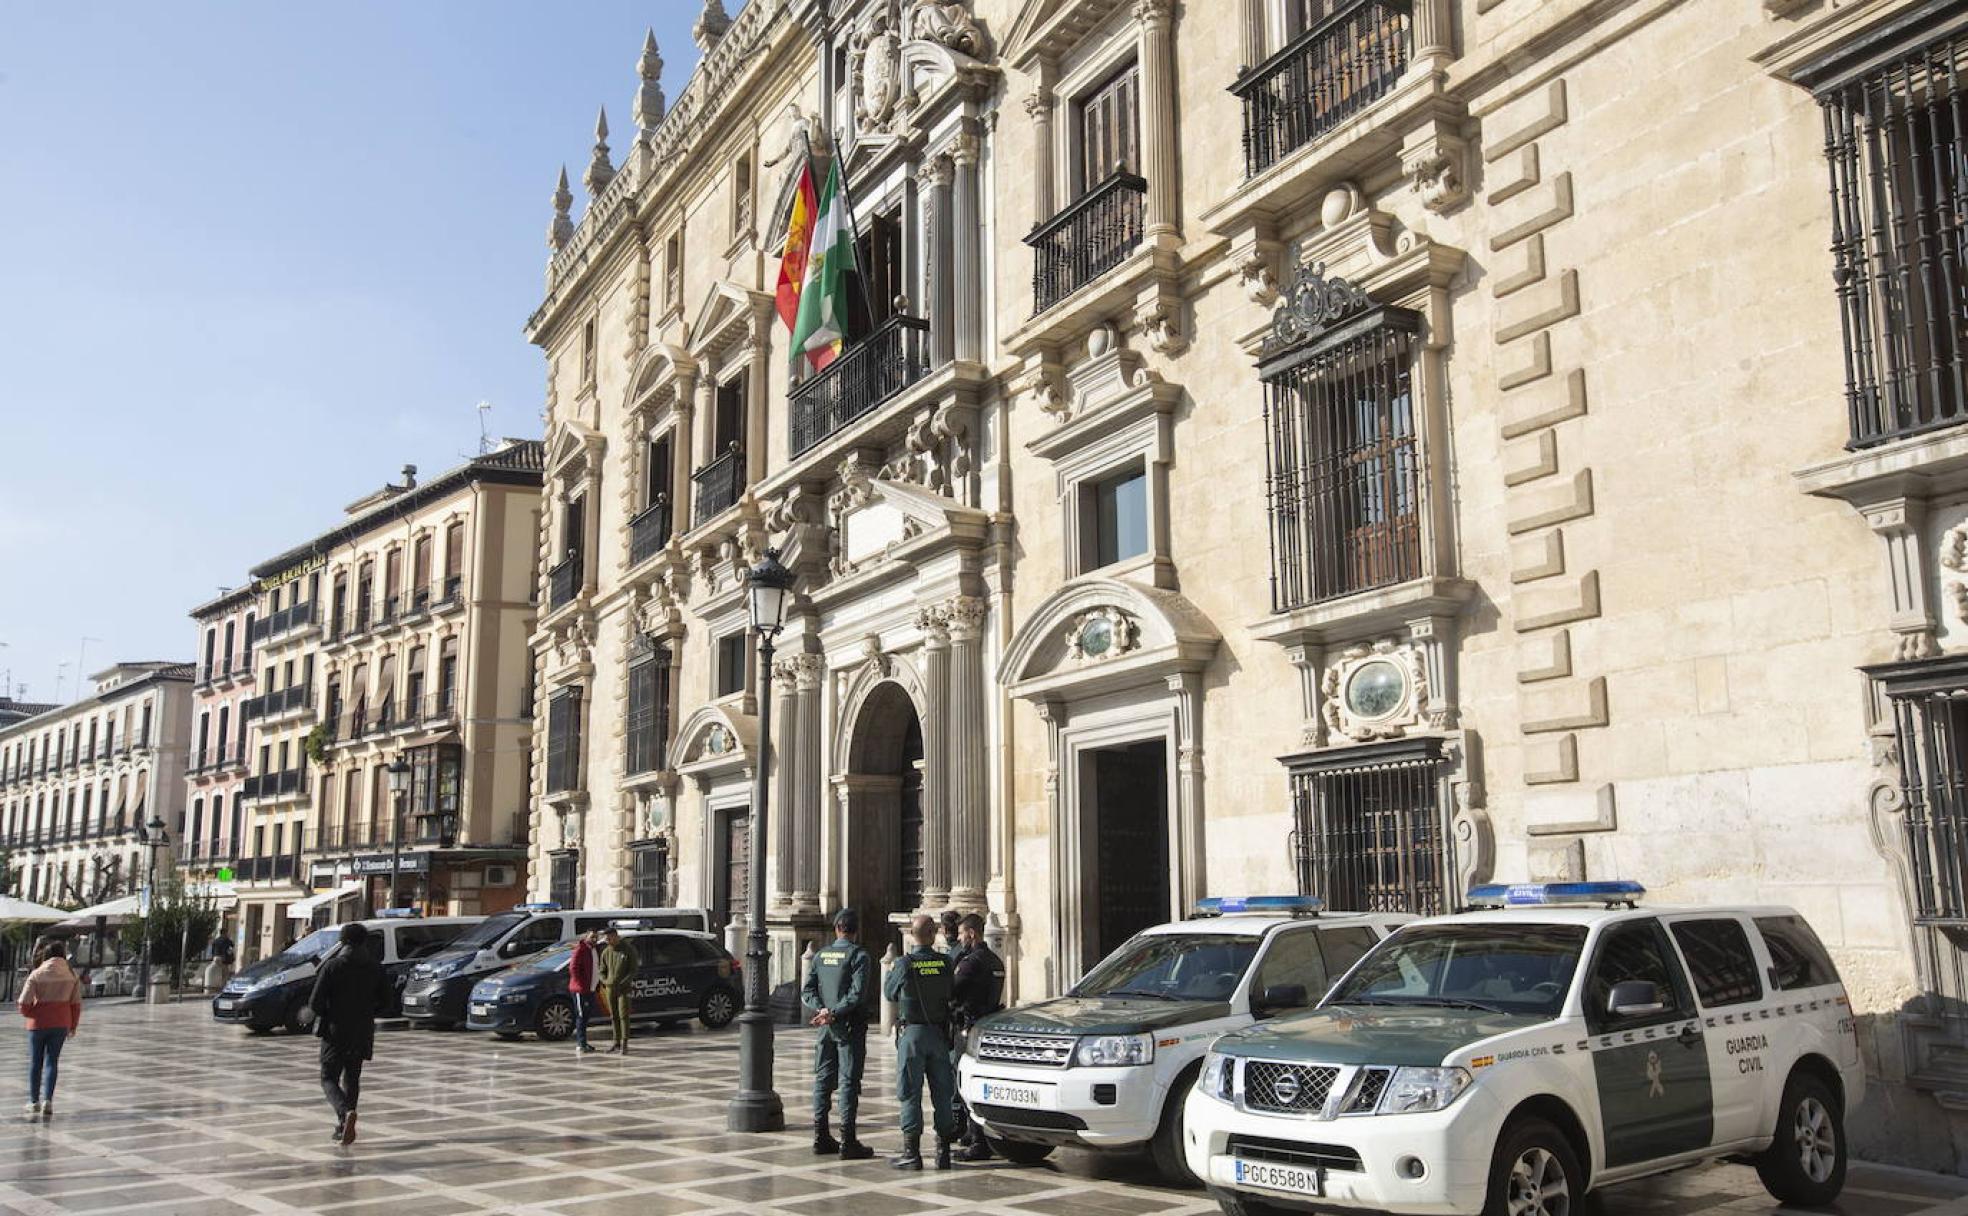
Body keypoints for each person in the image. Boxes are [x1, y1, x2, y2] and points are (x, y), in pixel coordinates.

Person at [884, 914, 960, 1170]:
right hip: (938, 1035)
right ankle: (944, 1152)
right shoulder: (945, 962)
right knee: (943, 1094)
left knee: (909, 1093)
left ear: (913, 935)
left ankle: (912, 1152)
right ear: (933, 934)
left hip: (913, 1035)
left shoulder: (904, 964)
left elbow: (889, 993)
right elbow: (951, 991)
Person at [801, 908, 875, 1160]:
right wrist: (833, 1012)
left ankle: (820, 1135)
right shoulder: (860, 956)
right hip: (848, 1027)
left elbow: (807, 989)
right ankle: (848, 1139)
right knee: (848, 1082)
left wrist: (822, 1010)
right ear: (855, 931)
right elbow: (857, 994)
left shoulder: (822, 955)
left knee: (823, 1079)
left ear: (836, 929)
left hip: (825, 1027)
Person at [307, 922, 390, 1146]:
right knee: (352, 1078)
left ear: (342, 942)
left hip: (335, 1030)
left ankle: (345, 1114)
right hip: (362, 1030)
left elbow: (315, 1003)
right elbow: (386, 1001)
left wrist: (329, 1013)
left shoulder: (333, 966)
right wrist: (367, 1011)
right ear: (364, 942)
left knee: (328, 1077)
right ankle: (345, 1124)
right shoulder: (375, 967)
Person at [949, 913, 1006, 1161]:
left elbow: (952, 992)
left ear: (972, 933)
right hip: (987, 1028)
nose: (960, 938)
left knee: (966, 1085)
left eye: (962, 933)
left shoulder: (970, 962)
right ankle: (978, 1136)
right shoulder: (996, 961)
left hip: (969, 1029)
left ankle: (977, 1140)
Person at [18, 940, 82, 1121]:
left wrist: (31, 1012)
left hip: (38, 1024)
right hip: (61, 1022)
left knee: (35, 1062)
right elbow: (76, 1004)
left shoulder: (37, 974)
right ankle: (48, 1100)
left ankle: (33, 1101)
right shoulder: (71, 975)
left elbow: (23, 1003)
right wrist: (73, 1025)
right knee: (52, 1062)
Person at [598, 927, 636, 1054]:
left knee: (623, 1015)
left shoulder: (628, 950)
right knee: (613, 1016)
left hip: (623, 989)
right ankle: (616, 1042)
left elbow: (633, 970)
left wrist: (624, 982)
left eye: (609, 938)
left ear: (615, 936)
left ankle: (625, 1043)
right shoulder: (606, 952)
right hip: (610, 989)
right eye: (606, 939)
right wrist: (605, 981)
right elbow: (602, 971)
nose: (607, 941)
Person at [568, 931, 599, 1056]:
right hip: (580, 990)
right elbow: (573, 968)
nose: (594, 939)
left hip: (591, 989)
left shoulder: (594, 950)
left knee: (586, 1016)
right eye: (592, 937)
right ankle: (580, 1044)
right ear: (586, 937)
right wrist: (580, 984)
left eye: (596, 937)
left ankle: (584, 1042)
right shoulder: (580, 949)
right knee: (581, 1015)